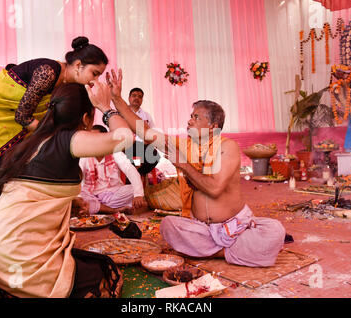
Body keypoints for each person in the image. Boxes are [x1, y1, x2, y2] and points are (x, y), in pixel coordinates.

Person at [0, 81, 135, 298]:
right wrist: (106, 107)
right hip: (20, 262)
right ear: (86, 119)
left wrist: (71, 202)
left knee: (90, 261)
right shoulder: (68, 138)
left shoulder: (32, 141)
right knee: (103, 272)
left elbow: (30, 191)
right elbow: (125, 137)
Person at [107, 69, 286, 267]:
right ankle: (229, 250)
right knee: (168, 225)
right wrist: (116, 98)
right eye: (191, 116)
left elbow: (215, 188)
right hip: (203, 228)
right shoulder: (185, 146)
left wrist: (183, 165)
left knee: (274, 231)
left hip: (234, 225)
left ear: (212, 125)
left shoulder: (227, 146)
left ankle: (214, 250)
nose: (189, 121)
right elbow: (145, 132)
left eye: (196, 117)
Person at [0, 36, 109, 213]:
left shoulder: (67, 83)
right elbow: (22, 115)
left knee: (13, 178)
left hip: (16, 130)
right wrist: (54, 141)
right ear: (79, 65)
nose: (94, 80)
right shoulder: (48, 72)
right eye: (94, 73)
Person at [77, 124, 147, 215]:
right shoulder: (84, 155)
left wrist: (138, 195)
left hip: (113, 195)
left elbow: (129, 169)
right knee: (78, 196)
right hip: (91, 195)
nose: (93, 142)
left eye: (96, 139)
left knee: (134, 189)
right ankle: (114, 210)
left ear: (105, 139)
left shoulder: (115, 152)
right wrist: (78, 199)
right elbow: (76, 178)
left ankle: (99, 208)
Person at [124, 87, 160, 176]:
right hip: (126, 145)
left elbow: (153, 131)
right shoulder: (122, 113)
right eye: (134, 96)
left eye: (140, 97)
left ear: (142, 100)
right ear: (129, 98)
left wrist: (149, 140)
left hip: (143, 145)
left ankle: (137, 173)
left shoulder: (146, 116)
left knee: (155, 156)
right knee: (138, 151)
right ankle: (134, 175)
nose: (137, 98)